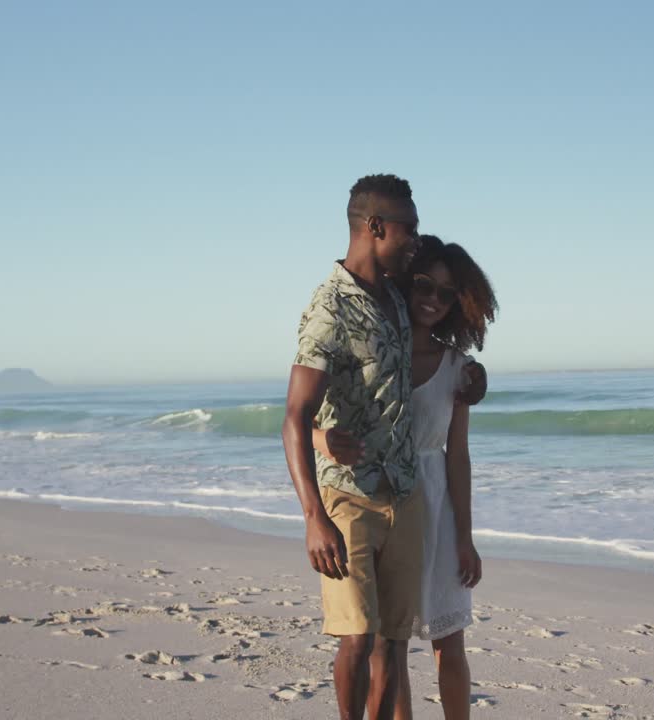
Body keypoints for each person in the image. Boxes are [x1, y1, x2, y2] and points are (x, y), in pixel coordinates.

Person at [282, 175, 486, 720]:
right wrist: (312, 517)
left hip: (408, 495)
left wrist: (473, 374)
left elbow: (436, 325)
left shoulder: (395, 298)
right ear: (375, 227)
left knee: (394, 641)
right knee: (357, 637)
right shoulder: (331, 307)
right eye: (410, 229)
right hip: (348, 498)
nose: (416, 238)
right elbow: (294, 415)